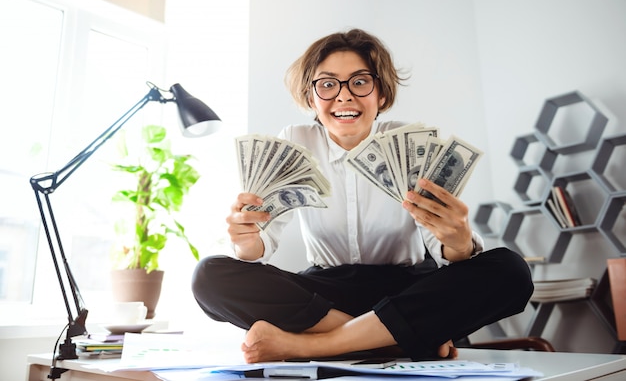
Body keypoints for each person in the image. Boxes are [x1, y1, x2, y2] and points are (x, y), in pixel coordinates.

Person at [192, 28, 533, 364]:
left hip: (409, 291)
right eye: (327, 84)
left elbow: (445, 253)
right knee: (209, 275)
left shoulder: (412, 143)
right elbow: (264, 242)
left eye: (359, 82)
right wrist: (247, 239)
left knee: (510, 271)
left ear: (381, 95)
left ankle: (312, 346)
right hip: (328, 296)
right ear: (312, 98)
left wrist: (459, 242)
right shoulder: (295, 140)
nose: (343, 96)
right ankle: (395, 342)